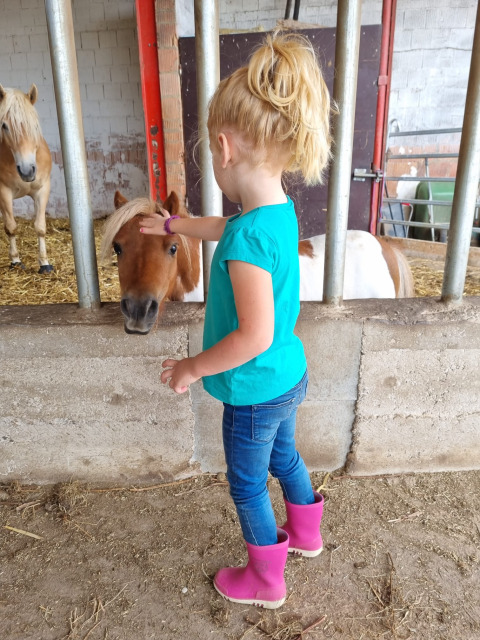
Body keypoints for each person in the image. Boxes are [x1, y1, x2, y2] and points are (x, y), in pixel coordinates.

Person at [138, 31, 332, 609]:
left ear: (223, 149)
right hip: (287, 378)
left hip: (251, 391)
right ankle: (307, 534)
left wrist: (193, 368)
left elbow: (253, 335)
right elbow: (225, 229)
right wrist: (177, 227)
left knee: (248, 483)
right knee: (284, 457)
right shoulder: (274, 215)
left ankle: (266, 581)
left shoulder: (247, 242)